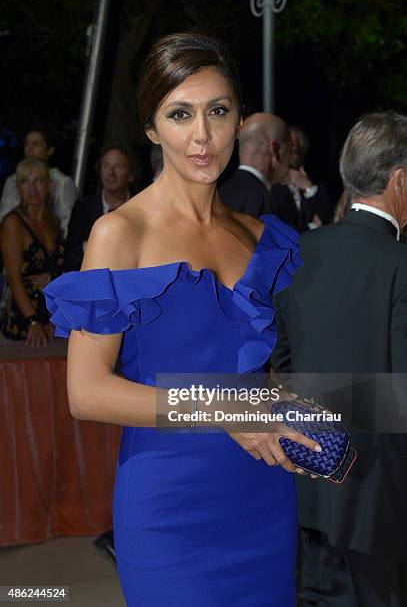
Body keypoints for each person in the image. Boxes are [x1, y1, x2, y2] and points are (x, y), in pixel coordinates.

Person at [44, 32, 320, 606]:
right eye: (180, 114)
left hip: (263, 493)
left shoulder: (259, 238)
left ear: (240, 119)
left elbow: (257, 371)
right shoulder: (121, 233)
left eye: (218, 111)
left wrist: (287, 399)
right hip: (171, 506)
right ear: (151, 128)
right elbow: (87, 393)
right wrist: (223, 409)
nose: (202, 136)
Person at [271, 111, 407, 606]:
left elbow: (282, 367)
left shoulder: (299, 253)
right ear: (400, 179)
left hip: (311, 489)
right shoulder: (399, 265)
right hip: (382, 503)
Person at [0, 158, 64, 345]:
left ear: (48, 185)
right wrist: (32, 320)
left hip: (52, 318)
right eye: (25, 181)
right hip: (24, 319)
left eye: (38, 180)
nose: (32, 187)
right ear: (18, 188)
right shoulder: (13, 223)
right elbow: (13, 278)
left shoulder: (51, 220)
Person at [64, 145, 134, 272]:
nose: (111, 173)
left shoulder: (140, 208)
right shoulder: (83, 207)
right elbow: (70, 255)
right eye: (106, 166)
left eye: (119, 167)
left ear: (131, 174)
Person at [0, 125, 77, 237]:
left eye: (36, 144)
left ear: (50, 150)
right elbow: (3, 216)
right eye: (27, 144)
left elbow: (68, 222)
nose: (29, 149)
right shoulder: (12, 180)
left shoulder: (63, 182)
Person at [219, 112, 291, 217]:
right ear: (274, 149)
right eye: (289, 151)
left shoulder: (220, 192)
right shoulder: (262, 200)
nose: (290, 160)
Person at [269, 125, 332, 231]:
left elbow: (328, 218)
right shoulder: (269, 187)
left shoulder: (314, 185)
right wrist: (312, 227)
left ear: (302, 155)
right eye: (283, 149)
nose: (286, 155)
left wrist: (308, 187)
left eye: (293, 151)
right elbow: (277, 229)